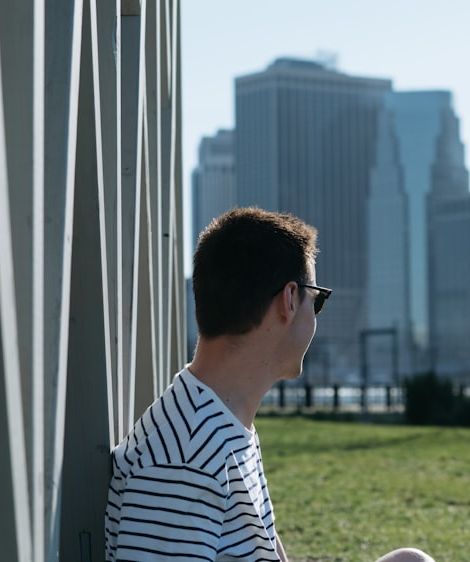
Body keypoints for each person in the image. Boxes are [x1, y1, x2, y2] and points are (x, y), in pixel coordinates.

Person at [105, 207, 434, 562]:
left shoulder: (220, 418)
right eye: (317, 299)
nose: (316, 314)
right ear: (289, 300)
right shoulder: (185, 458)